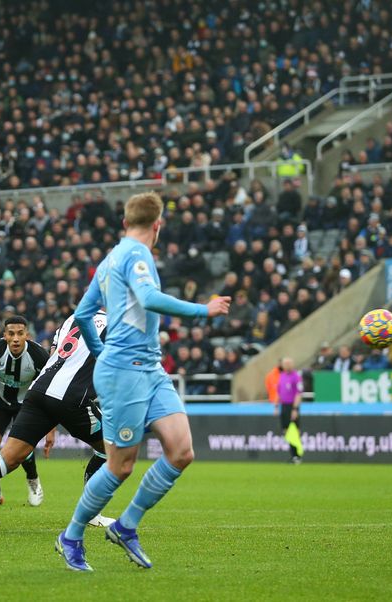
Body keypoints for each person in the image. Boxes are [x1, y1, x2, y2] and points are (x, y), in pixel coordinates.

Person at [56, 192, 230, 572]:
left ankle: (126, 525)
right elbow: (149, 298)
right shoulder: (136, 255)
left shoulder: (107, 262)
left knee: (182, 451)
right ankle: (70, 535)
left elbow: (84, 315)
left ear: (124, 222)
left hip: (149, 368)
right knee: (120, 466)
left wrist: (101, 352)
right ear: (158, 225)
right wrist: (204, 310)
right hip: (124, 373)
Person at [0, 311, 115, 529]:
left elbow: (54, 354)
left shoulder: (73, 317)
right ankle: (91, 512)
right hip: (72, 398)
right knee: (111, 447)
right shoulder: (118, 323)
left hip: (38, 392)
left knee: (8, 459)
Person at [0, 315, 50, 508]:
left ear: (27, 335)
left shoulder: (39, 355)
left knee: (20, 448)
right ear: (4, 335)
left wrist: (51, 429)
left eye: (20, 334)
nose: (16, 338)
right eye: (11, 334)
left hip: (28, 404)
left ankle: (33, 482)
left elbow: (49, 391)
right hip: (1, 402)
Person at [275, 357, 304, 463]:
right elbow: (279, 392)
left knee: (295, 430)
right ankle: (293, 455)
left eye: (289, 363)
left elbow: (298, 393)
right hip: (284, 406)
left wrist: (295, 409)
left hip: (292, 406)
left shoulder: (296, 376)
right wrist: (276, 406)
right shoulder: (281, 376)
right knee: (286, 431)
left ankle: (297, 455)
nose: (287, 366)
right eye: (285, 364)